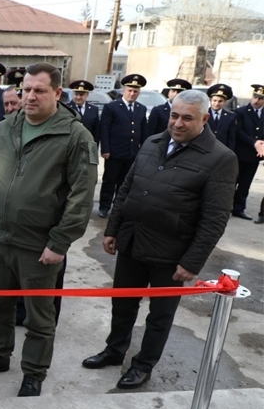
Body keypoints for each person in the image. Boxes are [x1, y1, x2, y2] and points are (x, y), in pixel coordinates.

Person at [82, 90, 237, 389]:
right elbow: (127, 188)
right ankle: (114, 350)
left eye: (187, 118)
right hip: (132, 241)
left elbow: (215, 218)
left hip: (171, 253)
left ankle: (143, 365)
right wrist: (112, 229)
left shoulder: (221, 158)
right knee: (123, 304)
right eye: (174, 115)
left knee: (159, 315)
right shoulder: (153, 142)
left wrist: (192, 262)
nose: (178, 123)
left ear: (205, 119)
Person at [0, 62, 98, 397]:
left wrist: (60, 242)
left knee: (39, 316)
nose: (30, 97)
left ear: (57, 93)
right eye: (26, 90)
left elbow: (81, 197)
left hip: (39, 245)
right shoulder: (5, 128)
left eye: (39, 90)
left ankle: (34, 372)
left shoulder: (75, 136)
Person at [98, 74, 149, 218]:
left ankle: (118, 207)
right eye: (129, 90)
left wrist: (143, 150)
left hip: (131, 152)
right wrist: (105, 149)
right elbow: (105, 129)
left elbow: (143, 131)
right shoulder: (112, 107)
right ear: (123, 91)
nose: (132, 93)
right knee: (110, 181)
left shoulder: (141, 108)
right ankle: (104, 206)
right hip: (114, 152)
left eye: (135, 91)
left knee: (125, 182)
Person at [231, 84, 264, 220]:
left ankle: (239, 209)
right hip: (240, 152)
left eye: (260, 98)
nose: (256, 100)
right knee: (232, 181)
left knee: (245, 183)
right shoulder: (241, 112)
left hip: (255, 155)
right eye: (255, 97)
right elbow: (238, 131)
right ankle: (226, 206)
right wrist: (254, 142)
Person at [206, 83, 236, 151]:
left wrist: (230, 153)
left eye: (220, 101)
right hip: (205, 149)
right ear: (210, 100)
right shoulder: (203, 114)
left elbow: (231, 138)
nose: (217, 104)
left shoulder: (230, 117)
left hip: (221, 151)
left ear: (225, 102)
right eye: (214, 100)